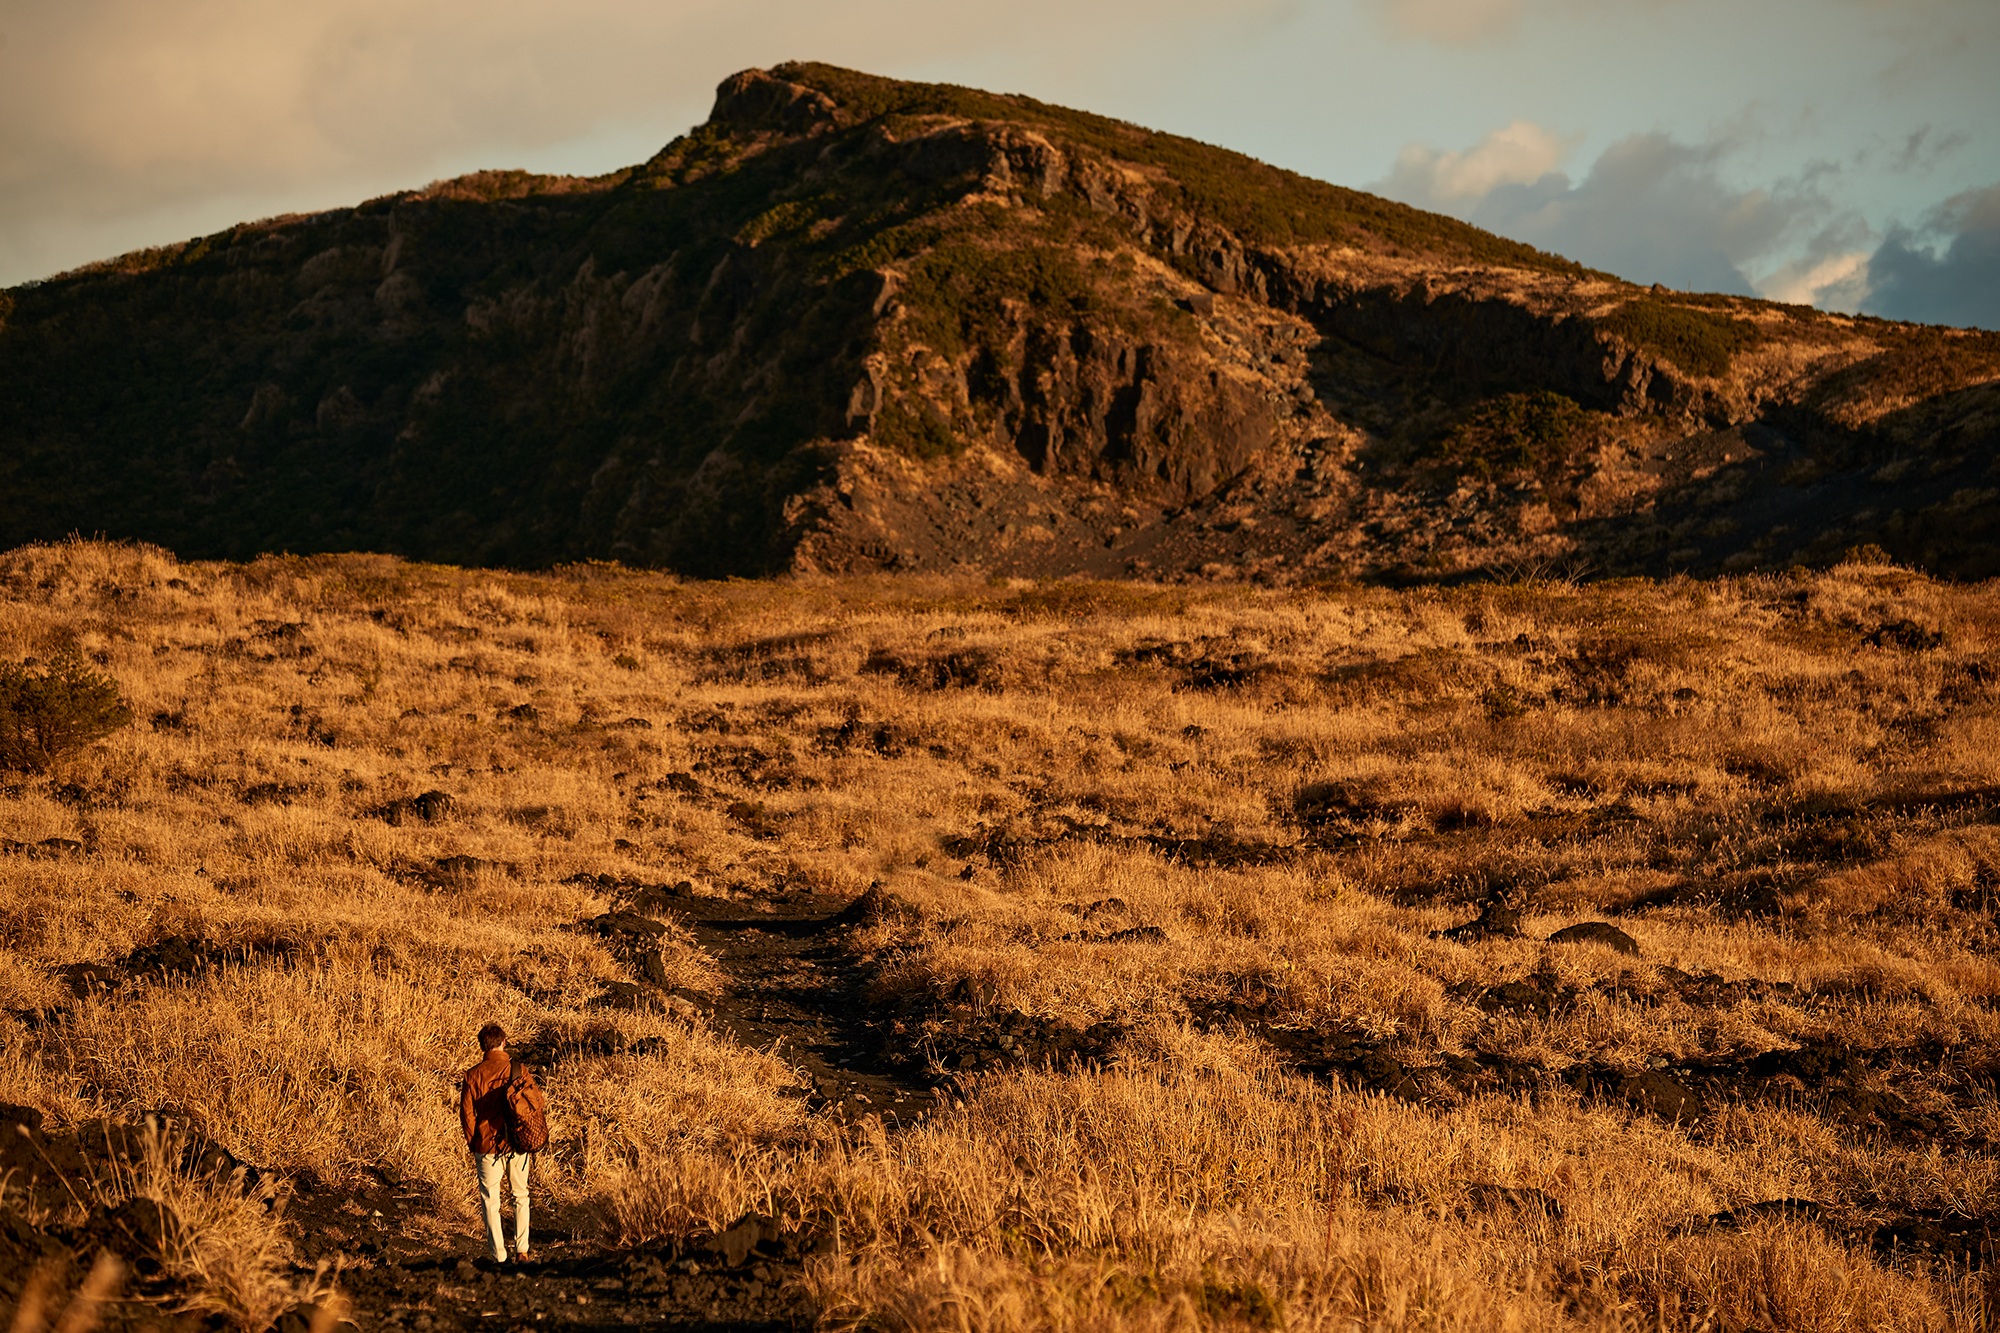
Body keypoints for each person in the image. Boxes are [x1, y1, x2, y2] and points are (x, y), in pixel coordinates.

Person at [459, 1022, 540, 1264]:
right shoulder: (518, 1069)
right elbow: (536, 1102)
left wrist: (475, 1141)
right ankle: (522, 1251)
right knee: (520, 1196)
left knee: (490, 1201)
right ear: (504, 1042)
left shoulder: (472, 1075)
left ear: (482, 1046)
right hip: (517, 1142)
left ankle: (499, 1257)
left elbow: (467, 1114)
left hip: (486, 1144)